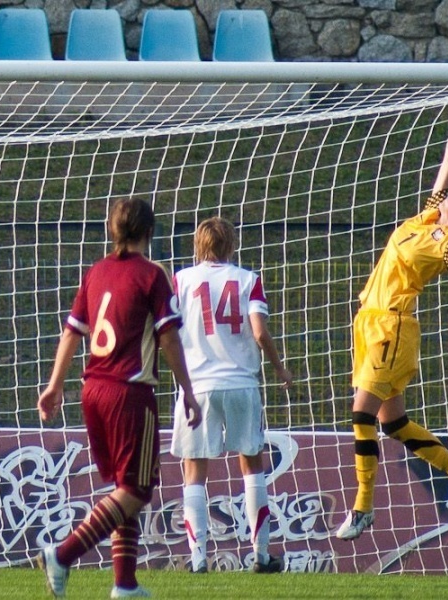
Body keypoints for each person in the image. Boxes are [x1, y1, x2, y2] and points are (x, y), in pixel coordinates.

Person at [335, 76, 448, 541]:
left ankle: (364, 505)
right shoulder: (428, 216)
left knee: (361, 414)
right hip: (370, 323)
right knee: (393, 422)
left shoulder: (445, 242)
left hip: (391, 326)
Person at [37, 197, 201, 599]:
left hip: (92, 389)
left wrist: (54, 384)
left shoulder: (95, 272)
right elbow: (168, 336)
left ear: (112, 230)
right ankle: (63, 553)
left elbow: (72, 331)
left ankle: (125, 585)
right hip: (129, 392)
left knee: (123, 488)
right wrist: (187, 389)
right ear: (149, 231)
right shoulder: (152, 275)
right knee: (136, 490)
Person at [170, 217, 293, 574]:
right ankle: (260, 554)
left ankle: (197, 561)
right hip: (242, 383)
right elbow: (259, 332)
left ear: (198, 245)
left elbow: (168, 331)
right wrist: (279, 368)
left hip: (198, 386)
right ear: (232, 245)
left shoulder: (181, 280)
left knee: (194, 470)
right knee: (251, 462)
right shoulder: (247, 280)